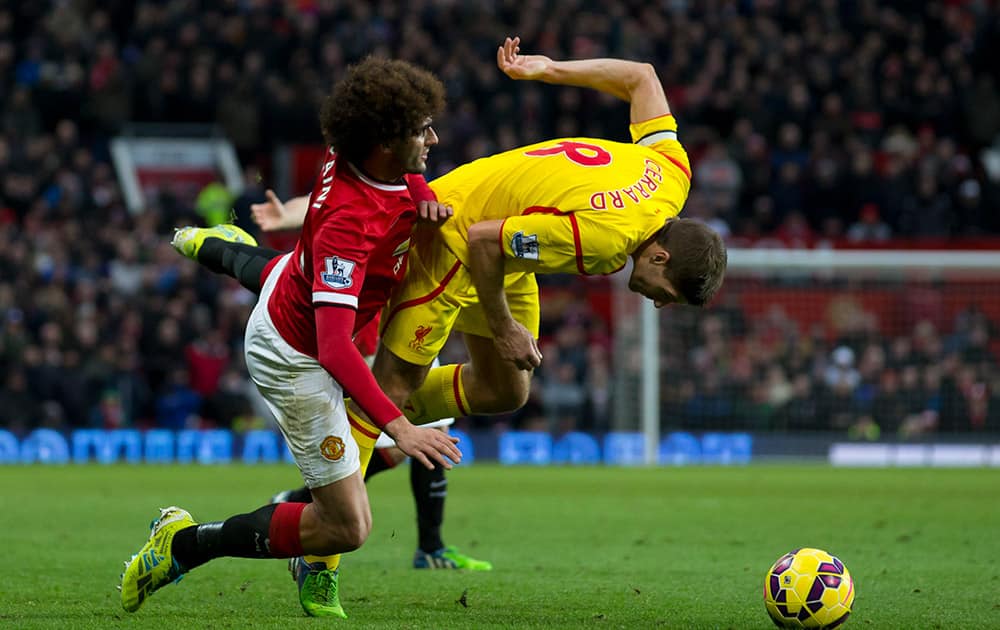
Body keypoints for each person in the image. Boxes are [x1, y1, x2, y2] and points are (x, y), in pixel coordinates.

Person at [178, 34, 727, 576]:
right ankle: (323, 546)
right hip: (456, 244)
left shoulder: (672, 173)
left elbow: (642, 77)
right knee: (392, 384)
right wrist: (503, 326)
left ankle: (364, 425)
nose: (659, 307)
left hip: (502, 243)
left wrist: (547, 69)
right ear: (658, 259)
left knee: (506, 389)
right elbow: (485, 240)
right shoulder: (607, 239)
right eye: (668, 296)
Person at [119, 57, 462, 620]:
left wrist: (420, 187)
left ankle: (210, 243)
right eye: (421, 130)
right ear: (384, 143)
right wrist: (398, 425)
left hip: (296, 284)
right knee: (346, 527)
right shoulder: (350, 225)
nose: (434, 138)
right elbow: (332, 349)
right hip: (296, 359)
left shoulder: (357, 151)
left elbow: (402, 168)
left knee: (268, 266)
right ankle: (179, 545)